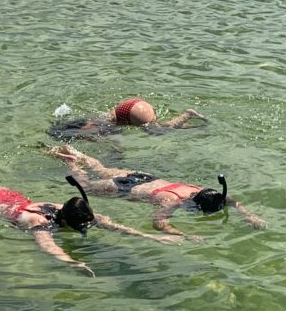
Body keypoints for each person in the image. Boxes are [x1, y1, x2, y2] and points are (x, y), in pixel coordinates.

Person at [0, 154, 179, 275]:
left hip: (11, 197)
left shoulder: (63, 209)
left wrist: (152, 238)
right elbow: (48, 248)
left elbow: (111, 225)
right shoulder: (39, 223)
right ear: (66, 222)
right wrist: (74, 263)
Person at [47, 144, 267, 237]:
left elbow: (230, 200)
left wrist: (249, 215)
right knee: (85, 186)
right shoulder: (171, 201)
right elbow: (158, 223)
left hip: (144, 177)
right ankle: (69, 162)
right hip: (127, 187)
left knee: (101, 168)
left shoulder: (196, 190)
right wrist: (185, 235)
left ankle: (75, 151)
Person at [47, 97, 204, 140]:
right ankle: (189, 125)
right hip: (131, 106)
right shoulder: (97, 119)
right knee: (158, 127)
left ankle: (187, 115)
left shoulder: (100, 127)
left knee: (159, 131)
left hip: (129, 113)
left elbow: (113, 144)